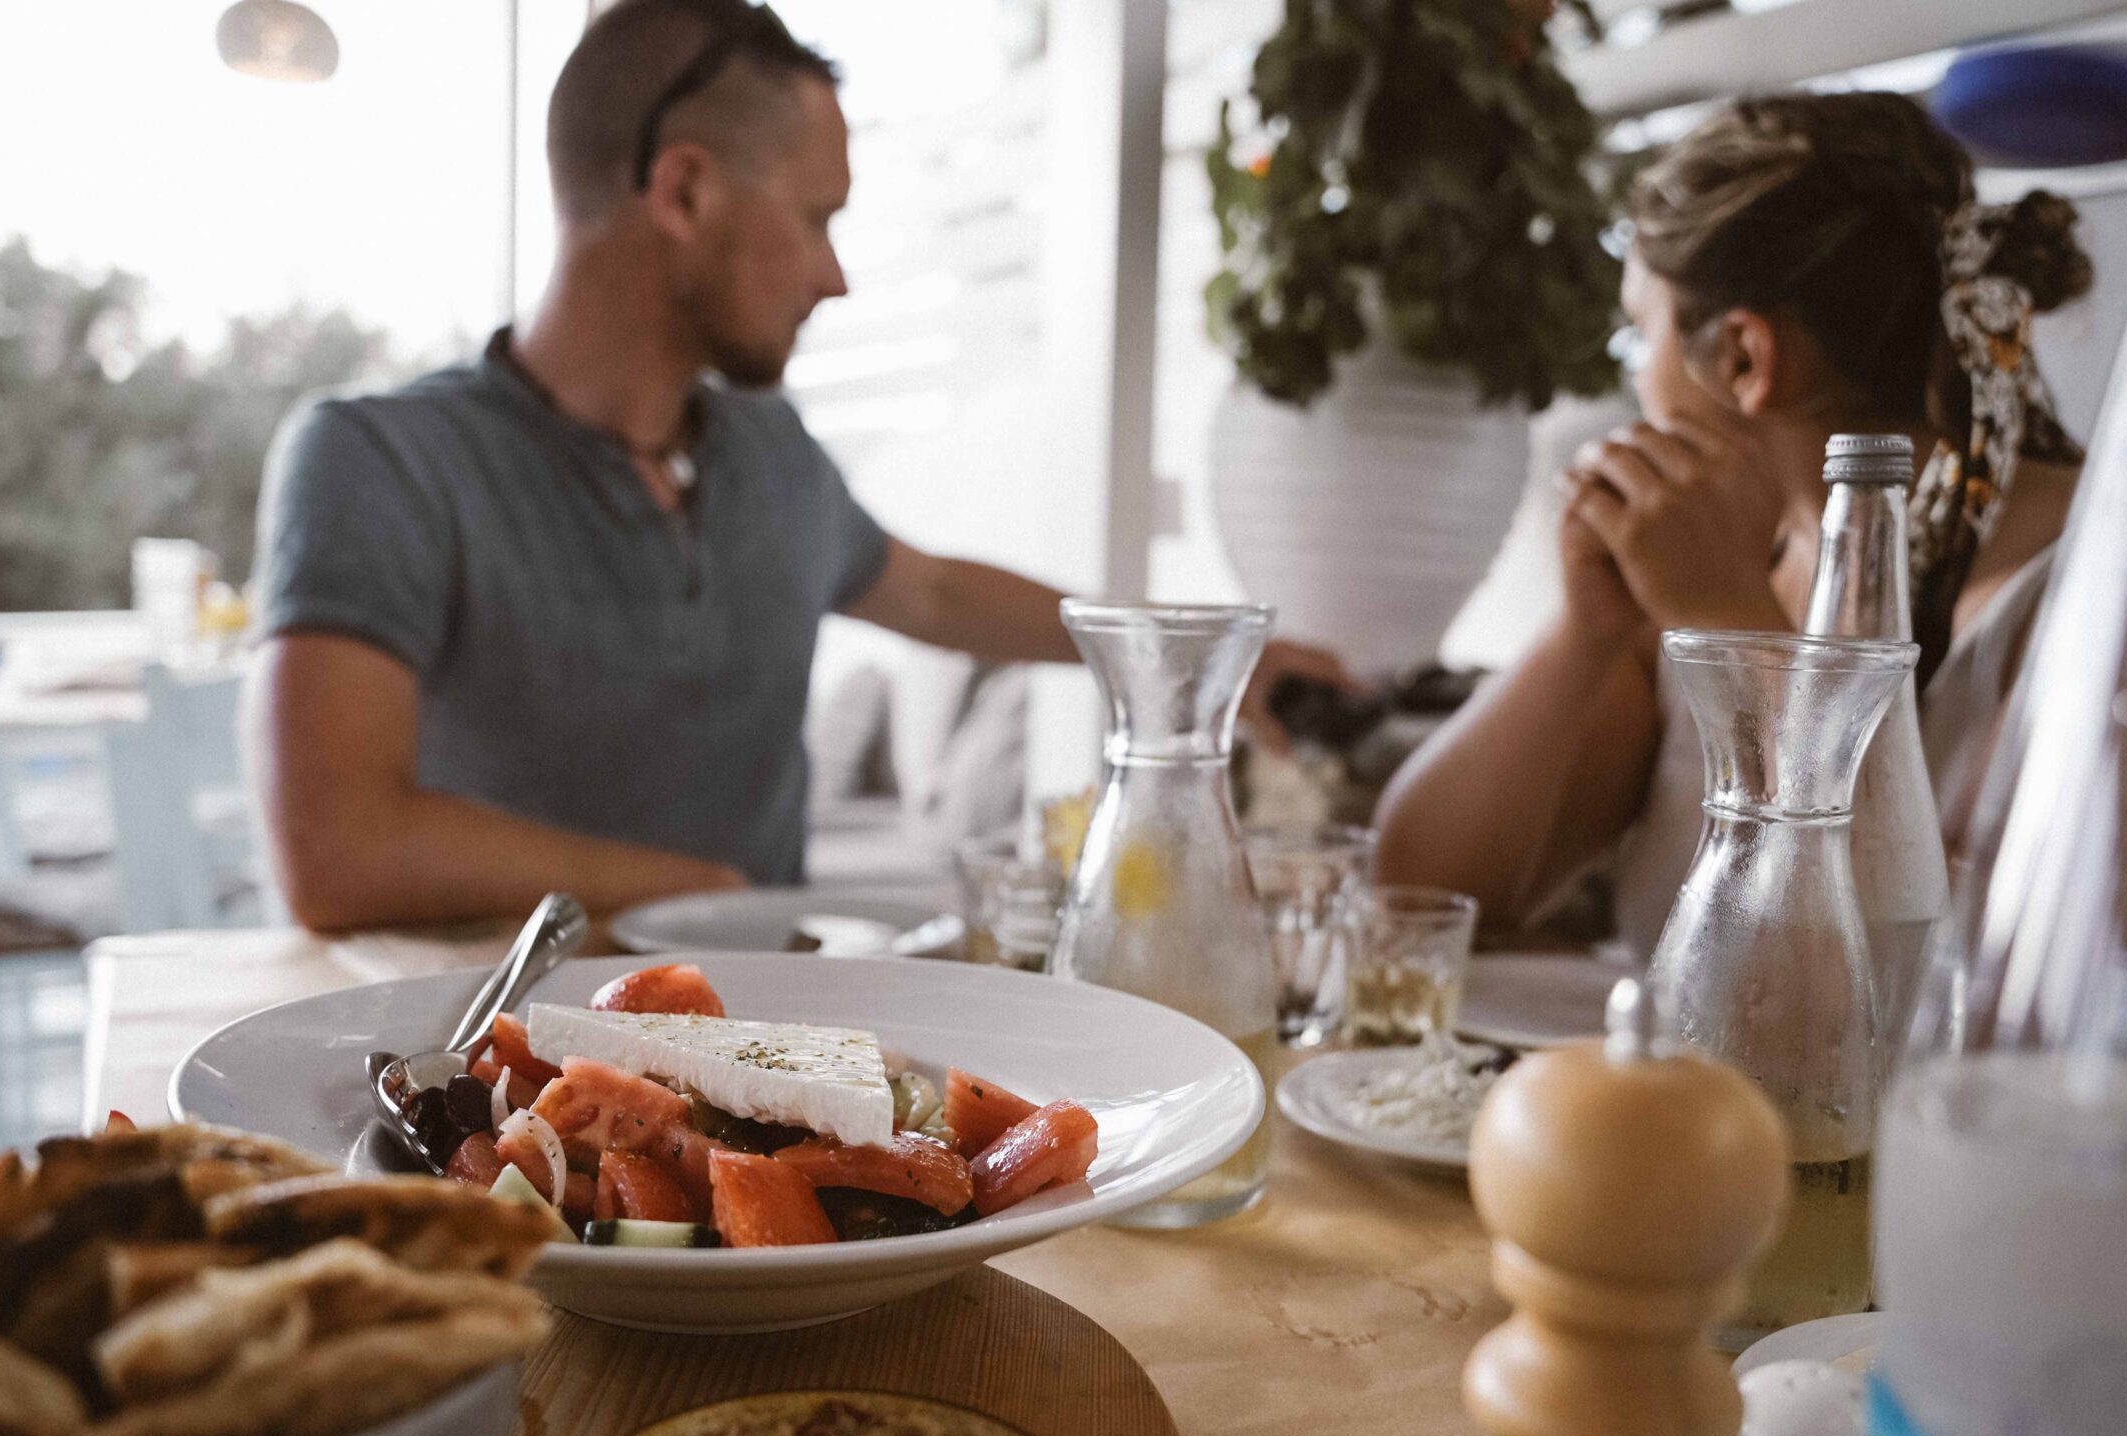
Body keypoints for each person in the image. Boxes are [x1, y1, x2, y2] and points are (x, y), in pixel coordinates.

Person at [246, 0, 1344, 931]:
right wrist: (697, 892)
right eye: (817, 219)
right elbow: (336, 850)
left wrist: (1191, 658)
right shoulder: (379, 459)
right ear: (682, 193)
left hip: (760, 1079)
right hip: (483, 1093)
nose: (835, 276)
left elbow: (930, 589)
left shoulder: (769, 452)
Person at [1374, 92, 2095, 952]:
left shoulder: (2077, 594)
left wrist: (1729, 623)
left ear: (1745, 358)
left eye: (1640, 334)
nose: (1635, 386)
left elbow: (1914, 984)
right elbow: (1416, 896)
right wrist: (1584, 631)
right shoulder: (1714, 569)